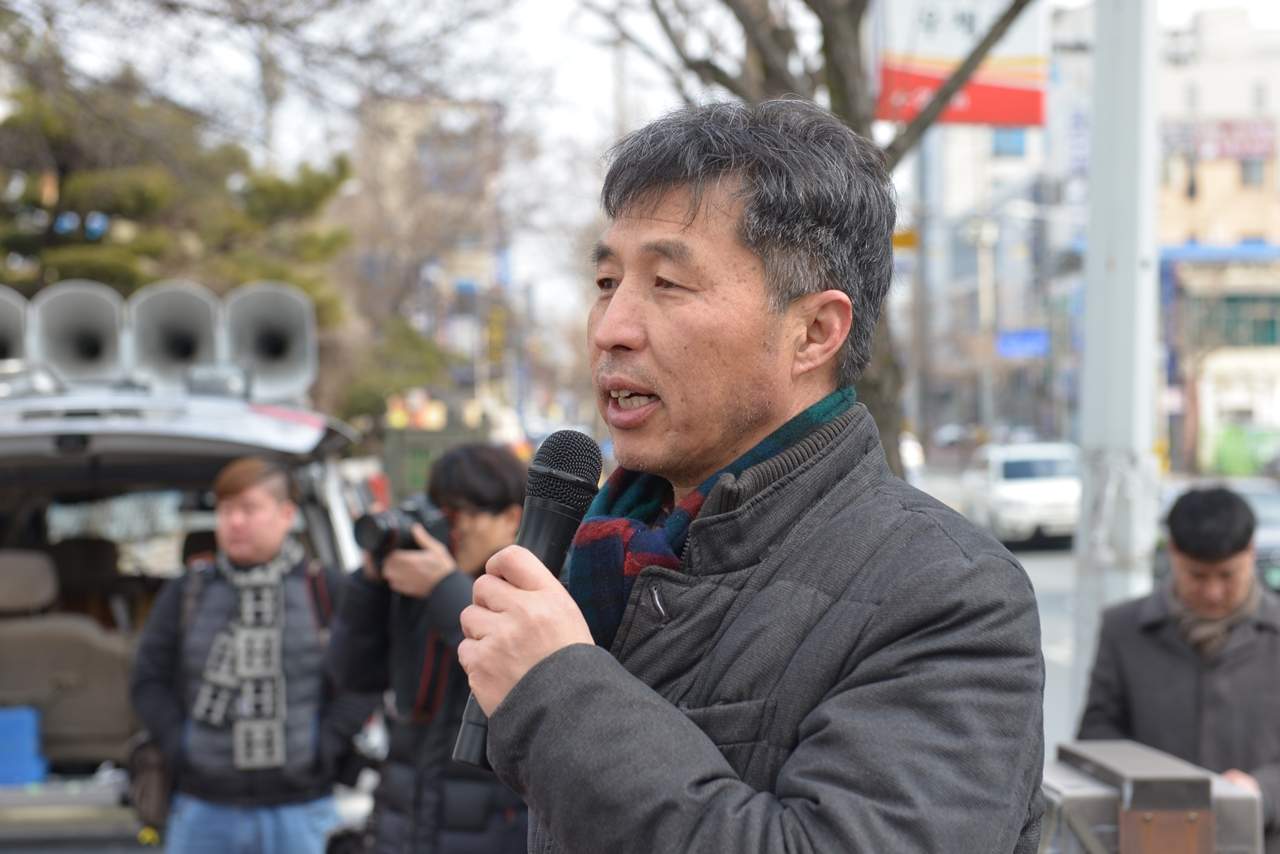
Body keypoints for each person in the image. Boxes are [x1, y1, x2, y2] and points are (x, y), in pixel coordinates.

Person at [455, 99, 1045, 853]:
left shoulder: (947, 594)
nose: (611, 329)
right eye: (608, 282)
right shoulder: (606, 555)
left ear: (813, 332)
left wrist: (557, 696)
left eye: (667, 284)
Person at [130, 457, 378, 854]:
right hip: (202, 809)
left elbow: (364, 677)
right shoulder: (187, 591)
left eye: (249, 509)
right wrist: (184, 747)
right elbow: (147, 680)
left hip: (301, 809)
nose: (235, 522)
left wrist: (324, 746)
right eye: (225, 510)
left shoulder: (326, 587)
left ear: (286, 514)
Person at [327, 444, 529, 853]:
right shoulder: (418, 593)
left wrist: (444, 587)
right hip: (403, 825)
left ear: (512, 518)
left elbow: (511, 673)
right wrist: (370, 582)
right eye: (444, 512)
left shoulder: (536, 595)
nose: (454, 527)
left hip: (491, 835)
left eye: (467, 513)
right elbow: (351, 673)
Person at [1080, 486, 1280, 853]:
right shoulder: (1122, 628)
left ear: (1250, 553)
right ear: (1172, 552)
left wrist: (1263, 790)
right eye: (1198, 575)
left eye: (1227, 574)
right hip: (1152, 840)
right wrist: (1152, 784)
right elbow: (1096, 732)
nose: (1213, 591)